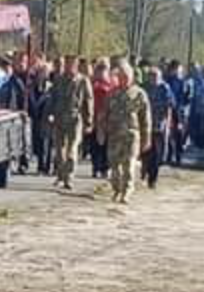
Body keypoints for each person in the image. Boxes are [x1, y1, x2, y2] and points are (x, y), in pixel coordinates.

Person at [98, 61, 153, 205]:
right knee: (114, 166)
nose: (123, 79)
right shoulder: (112, 94)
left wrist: (146, 138)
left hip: (131, 135)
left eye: (126, 76)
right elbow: (104, 113)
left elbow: (145, 118)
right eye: (121, 76)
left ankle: (126, 192)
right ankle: (117, 189)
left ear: (131, 77)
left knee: (129, 165)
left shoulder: (139, 94)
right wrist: (101, 131)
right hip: (114, 135)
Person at [49, 55, 94, 191]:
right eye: (67, 63)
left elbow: (89, 100)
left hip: (75, 118)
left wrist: (89, 120)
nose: (69, 66)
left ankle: (69, 177)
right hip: (59, 118)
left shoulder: (82, 81)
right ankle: (61, 174)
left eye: (72, 64)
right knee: (59, 149)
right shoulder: (58, 79)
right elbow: (53, 98)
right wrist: (50, 114)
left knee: (72, 148)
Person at [142, 65, 175, 190]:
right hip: (145, 124)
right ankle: (145, 170)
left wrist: (168, 124)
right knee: (145, 151)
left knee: (156, 153)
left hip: (158, 124)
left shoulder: (165, 88)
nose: (153, 79)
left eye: (155, 76)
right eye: (151, 76)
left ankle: (153, 178)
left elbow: (169, 106)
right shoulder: (144, 87)